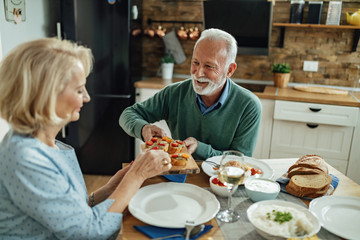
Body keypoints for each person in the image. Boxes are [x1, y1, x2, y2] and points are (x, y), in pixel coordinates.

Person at [0, 38, 171, 239]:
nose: (87, 97)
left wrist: (110, 189)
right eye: (79, 90)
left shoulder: (47, 143)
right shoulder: (25, 158)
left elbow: (70, 212)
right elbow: (87, 233)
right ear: (46, 96)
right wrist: (137, 176)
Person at [120, 28, 262, 160]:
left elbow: (240, 160)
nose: (198, 73)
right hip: (180, 175)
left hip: (222, 182)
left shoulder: (249, 105)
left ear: (230, 70)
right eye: (195, 62)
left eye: (209, 66)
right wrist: (143, 128)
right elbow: (127, 114)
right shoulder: (174, 93)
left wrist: (200, 148)